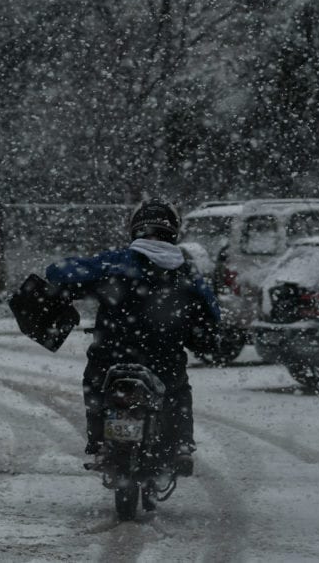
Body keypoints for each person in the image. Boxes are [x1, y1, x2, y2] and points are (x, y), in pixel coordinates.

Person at [44, 199, 220, 475]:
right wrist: (202, 335)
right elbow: (210, 312)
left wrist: (64, 292)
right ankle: (181, 445)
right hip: (164, 358)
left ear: (134, 228)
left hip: (111, 355)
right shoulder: (185, 270)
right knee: (177, 391)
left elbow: (59, 273)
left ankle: (100, 443)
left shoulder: (114, 263)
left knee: (95, 386)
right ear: (173, 230)